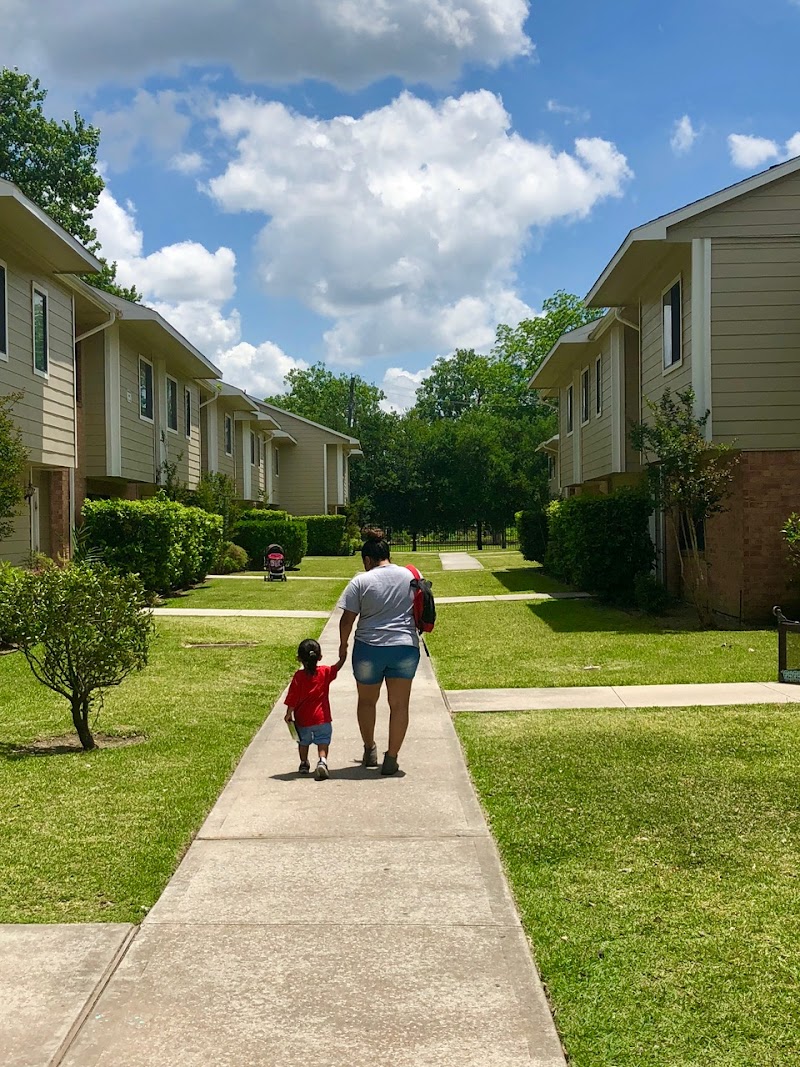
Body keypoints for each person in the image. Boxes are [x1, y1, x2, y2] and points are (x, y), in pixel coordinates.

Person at [337, 528, 421, 776]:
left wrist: (343, 646)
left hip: (369, 649)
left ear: (367, 560)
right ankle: (392, 758)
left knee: (366, 701)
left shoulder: (360, 581)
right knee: (399, 705)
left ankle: (369, 748)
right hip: (404, 648)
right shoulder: (411, 576)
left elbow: (347, 619)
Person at [284, 638, 344, 780]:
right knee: (323, 740)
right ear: (320, 657)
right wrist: (343, 655)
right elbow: (337, 667)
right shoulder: (324, 672)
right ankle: (322, 761)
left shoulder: (299, 677)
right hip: (322, 718)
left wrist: (288, 713)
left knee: (303, 742)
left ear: (299, 658)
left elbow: (293, 697)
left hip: (303, 719)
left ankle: (304, 763)